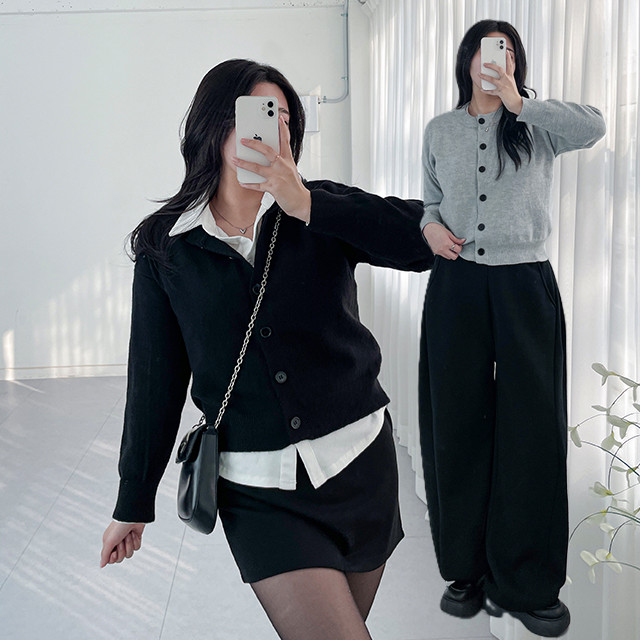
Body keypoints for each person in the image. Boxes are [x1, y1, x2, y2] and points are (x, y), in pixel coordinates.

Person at [99, 59, 433, 640]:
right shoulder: (165, 247)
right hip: (258, 493)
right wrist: (133, 500)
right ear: (212, 126)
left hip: (359, 467)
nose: (267, 130)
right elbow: (154, 382)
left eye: (280, 118)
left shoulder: (320, 208)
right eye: (253, 114)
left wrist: (309, 205)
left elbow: (426, 242)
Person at [418, 19, 605, 638]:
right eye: (482, 50)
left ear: (515, 62)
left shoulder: (538, 125)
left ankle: (527, 581)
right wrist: (429, 227)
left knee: (533, 429)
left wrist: (523, 104)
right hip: (456, 286)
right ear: (466, 61)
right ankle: (465, 569)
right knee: (457, 425)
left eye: (504, 52)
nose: (492, 60)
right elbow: (429, 203)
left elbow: (596, 125)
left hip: (525, 285)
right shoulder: (439, 129)